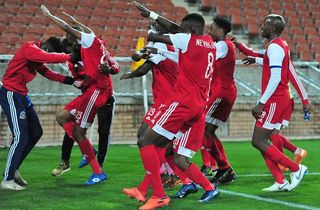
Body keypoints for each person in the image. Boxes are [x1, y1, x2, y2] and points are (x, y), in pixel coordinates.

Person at [124, 3, 219, 209]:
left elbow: (163, 35)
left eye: (184, 30)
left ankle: (158, 194)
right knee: (161, 147)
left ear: (190, 30)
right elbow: (177, 31)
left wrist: (152, 32)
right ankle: (143, 189)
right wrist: (152, 15)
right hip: (197, 105)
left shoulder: (187, 39)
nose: (180, 32)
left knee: (145, 141)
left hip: (181, 103)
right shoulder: (208, 42)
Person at [41, 5, 120, 185]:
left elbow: (71, 30)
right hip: (92, 90)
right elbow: (83, 31)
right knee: (63, 117)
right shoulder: (90, 45)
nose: (71, 42)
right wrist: (77, 22)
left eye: (72, 39)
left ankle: (96, 167)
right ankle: (88, 153)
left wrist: (49, 15)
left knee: (86, 132)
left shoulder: (89, 42)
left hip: (99, 91)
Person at [0, 37, 75, 190]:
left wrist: (70, 81)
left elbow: (48, 73)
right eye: (51, 53)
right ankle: (7, 180)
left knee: (36, 132)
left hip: (22, 95)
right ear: (47, 49)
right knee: (20, 136)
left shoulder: (37, 56)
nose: (48, 58)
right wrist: (70, 57)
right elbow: (48, 57)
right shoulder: (30, 48)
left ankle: (13, 170)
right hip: (11, 93)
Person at [232, 37, 310, 172]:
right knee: (270, 134)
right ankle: (295, 153)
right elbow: (258, 55)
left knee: (270, 135)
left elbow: (294, 77)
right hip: (281, 100)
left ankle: (285, 163)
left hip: (283, 101)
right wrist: (240, 46)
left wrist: (305, 100)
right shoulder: (275, 50)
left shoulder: (279, 50)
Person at [121, 20, 179, 201]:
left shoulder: (162, 44)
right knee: (150, 142)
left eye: (154, 26)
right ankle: (159, 179)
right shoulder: (161, 44)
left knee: (146, 140)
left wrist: (130, 74)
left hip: (167, 101)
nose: (150, 29)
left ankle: (172, 178)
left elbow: (145, 68)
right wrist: (138, 55)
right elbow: (139, 57)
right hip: (162, 100)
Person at [249, 14, 308, 192]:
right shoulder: (280, 45)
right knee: (261, 141)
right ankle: (280, 181)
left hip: (275, 100)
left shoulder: (275, 47)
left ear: (273, 29)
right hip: (278, 99)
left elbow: (275, 77)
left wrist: (261, 103)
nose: (261, 26)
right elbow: (280, 67)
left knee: (259, 140)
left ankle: (296, 168)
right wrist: (257, 59)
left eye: (265, 24)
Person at [51, 34, 116, 177]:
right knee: (65, 119)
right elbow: (77, 80)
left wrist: (107, 70)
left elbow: (113, 68)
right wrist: (78, 82)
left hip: (105, 97)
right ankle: (67, 160)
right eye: (68, 51)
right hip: (86, 96)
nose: (69, 55)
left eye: (72, 51)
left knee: (103, 132)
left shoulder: (93, 56)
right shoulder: (71, 63)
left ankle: (99, 165)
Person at [202, 16, 237, 185]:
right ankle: (224, 168)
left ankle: (224, 168)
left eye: (213, 28)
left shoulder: (223, 45)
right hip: (221, 92)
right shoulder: (222, 45)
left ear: (221, 30)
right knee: (207, 131)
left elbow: (203, 56)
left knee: (203, 129)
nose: (210, 30)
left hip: (221, 93)